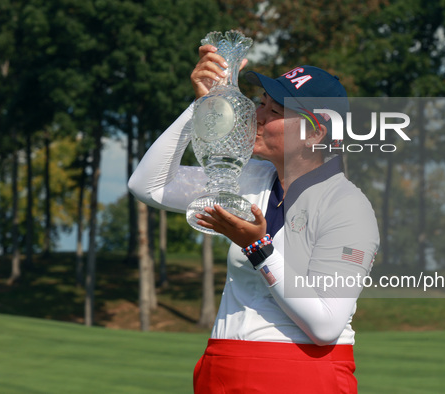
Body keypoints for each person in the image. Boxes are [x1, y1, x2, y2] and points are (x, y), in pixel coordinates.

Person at [128, 44, 379, 393]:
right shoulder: (249, 177)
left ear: (316, 133)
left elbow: (325, 325)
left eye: (273, 111)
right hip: (223, 367)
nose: (256, 116)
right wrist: (201, 107)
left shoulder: (348, 206)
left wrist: (259, 249)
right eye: (261, 103)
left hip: (301, 377)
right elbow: (148, 186)